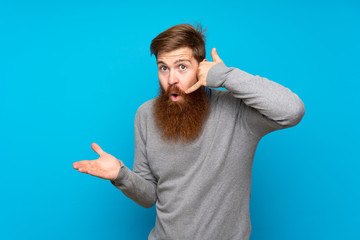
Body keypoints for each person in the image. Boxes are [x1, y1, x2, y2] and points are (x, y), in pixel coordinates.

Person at [73, 23, 305, 240]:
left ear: (201, 68)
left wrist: (225, 76)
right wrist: (120, 175)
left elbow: (292, 110)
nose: (171, 79)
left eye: (182, 67)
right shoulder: (145, 114)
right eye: (164, 68)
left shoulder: (238, 112)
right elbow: (148, 197)